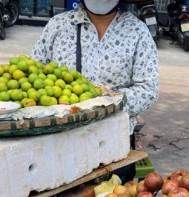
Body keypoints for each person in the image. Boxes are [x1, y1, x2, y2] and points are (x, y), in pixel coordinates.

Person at [30, 0, 159, 182]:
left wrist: (104, 102)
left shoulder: (137, 31)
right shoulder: (58, 25)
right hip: (60, 142)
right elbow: (31, 75)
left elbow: (148, 90)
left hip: (113, 144)